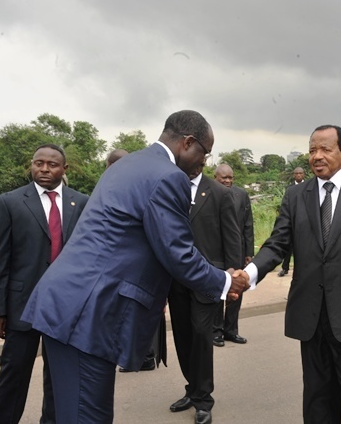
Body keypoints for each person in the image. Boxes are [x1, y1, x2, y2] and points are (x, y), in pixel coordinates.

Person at [20, 110, 249, 423]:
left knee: (61, 414)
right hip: (87, 315)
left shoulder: (131, 162)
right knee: (87, 416)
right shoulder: (169, 177)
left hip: (70, 306)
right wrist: (225, 283)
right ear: (187, 142)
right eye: (203, 153)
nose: (203, 162)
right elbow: (178, 253)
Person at [238, 125, 341, 423]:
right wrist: (249, 274)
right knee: (317, 396)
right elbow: (277, 244)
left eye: (325, 149)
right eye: (313, 150)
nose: (317, 156)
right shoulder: (296, 195)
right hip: (312, 315)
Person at [0, 144, 89, 424]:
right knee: (14, 375)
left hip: (64, 308)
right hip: (21, 306)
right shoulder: (10, 202)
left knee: (57, 379)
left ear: (64, 169)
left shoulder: (81, 203)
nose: (44, 169)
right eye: (38, 163)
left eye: (52, 165)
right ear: (31, 165)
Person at [167, 162, 241, 424]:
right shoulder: (169, 187)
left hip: (209, 278)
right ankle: (192, 389)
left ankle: (204, 399)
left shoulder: (219, 193)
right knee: (183, 336)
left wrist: (233, 277)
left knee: (201, 335)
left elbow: (232, 236)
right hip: (176, 279)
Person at [213, 163, 254, 345]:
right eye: (224, 178)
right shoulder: (209, 194)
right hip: (215, 252)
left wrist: (248, 252)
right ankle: (216, 331)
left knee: (235, 290)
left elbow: (248, 224)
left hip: (237, 251)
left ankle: (231, 330)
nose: (228, 181)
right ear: (216, 178)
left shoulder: (241, 195)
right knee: (216, 290)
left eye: (230, 178)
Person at [278, 166, 305, 277]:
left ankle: (302, 270)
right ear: (294, 175)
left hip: (304, 222)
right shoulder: (289, 189)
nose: (298, 175)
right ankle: (285, 268)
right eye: (296, 173)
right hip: (292, 222)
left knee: (302, 249)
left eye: (300, 173)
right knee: (288, 248)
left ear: (303, 174)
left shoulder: (309, 186)